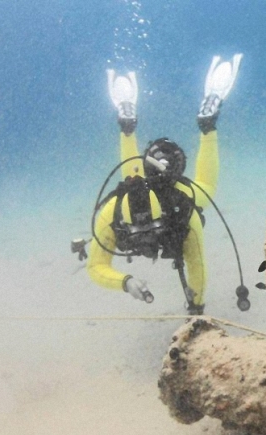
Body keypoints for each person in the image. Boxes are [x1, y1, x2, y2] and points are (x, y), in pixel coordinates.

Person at [86, 55, 245, 315]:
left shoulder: (120, 210)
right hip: (162, 194)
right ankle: (206, 127)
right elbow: (197, 265)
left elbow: (96, 267)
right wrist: (196, 306)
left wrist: (125, 283)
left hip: (155, 191)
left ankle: (129, 129)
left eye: (150, 227)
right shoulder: (178, 208)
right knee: (198, 186)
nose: (147, 233)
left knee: (136, 178)